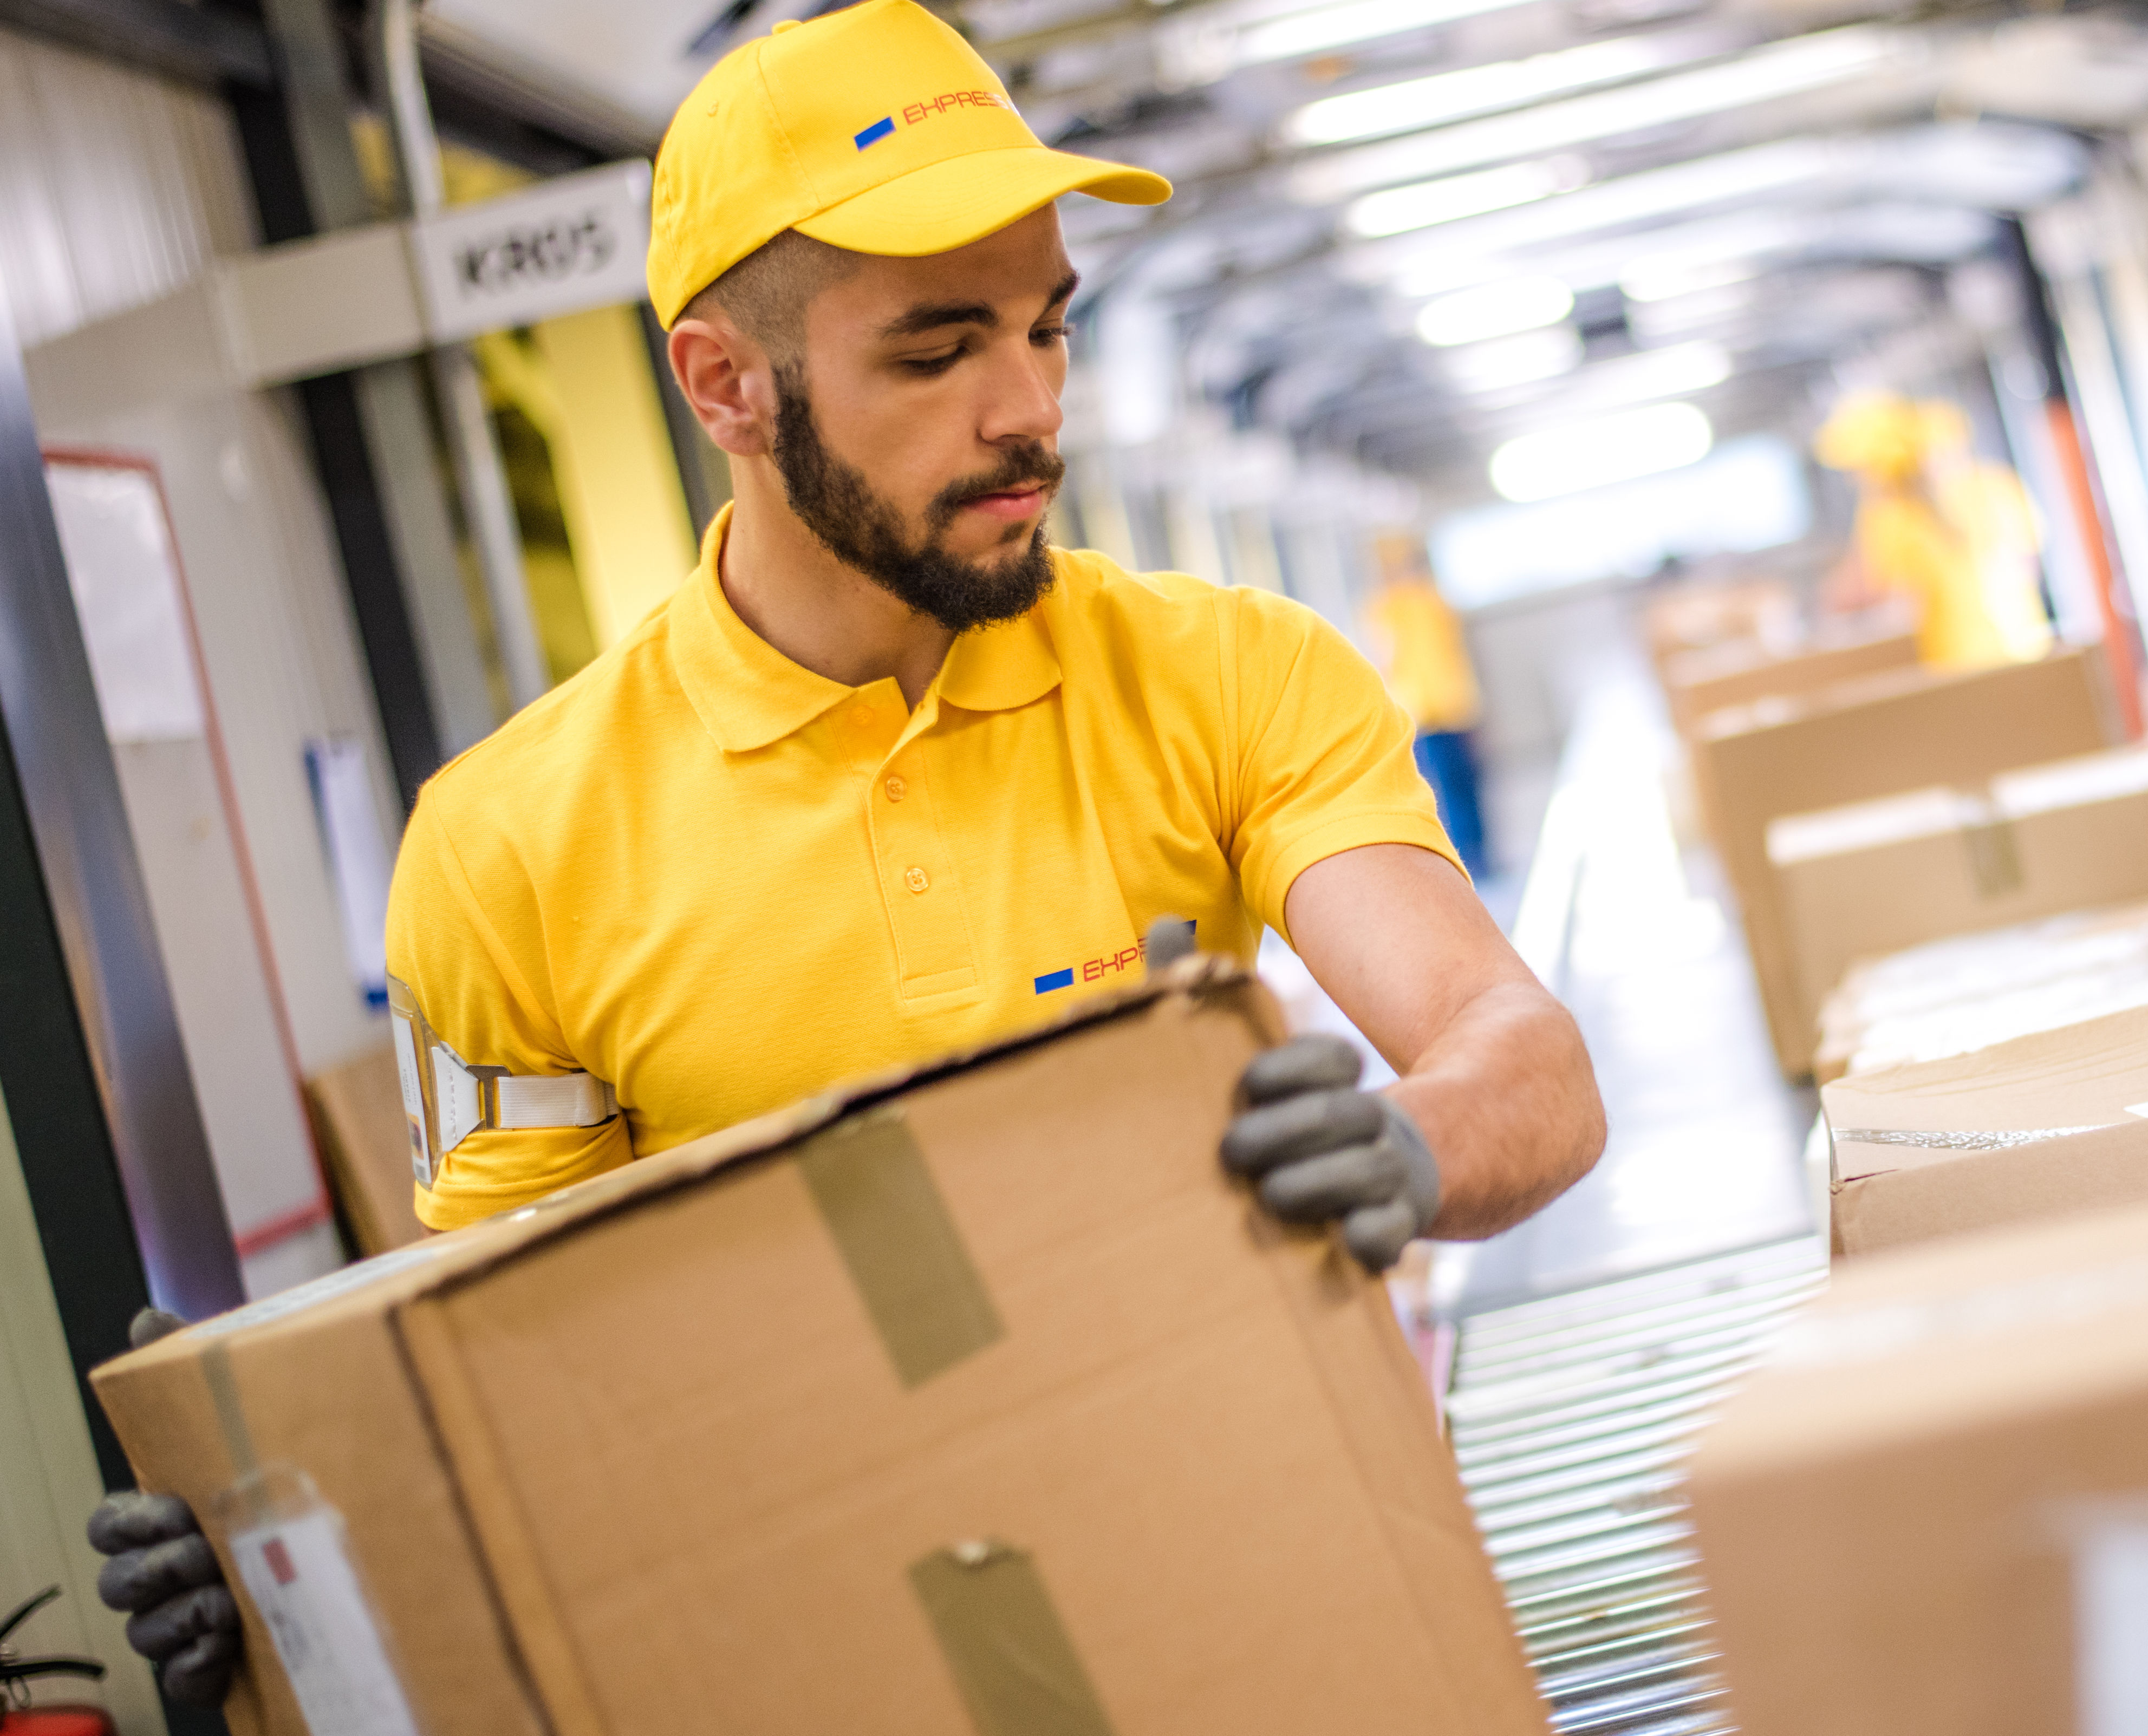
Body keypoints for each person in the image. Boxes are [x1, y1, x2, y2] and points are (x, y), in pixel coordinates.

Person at [88, 0, 1605, 1705]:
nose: (1028, 410)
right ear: (727, 382)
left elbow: (1522, 1055)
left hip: (1263, 1585)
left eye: (1047, 328)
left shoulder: (1230, 672)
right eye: (937, 351)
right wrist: (290, 1547)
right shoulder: (501, 847)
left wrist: (1406, 1146)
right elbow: (494, 1366)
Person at [1813, 391, 2046, 669]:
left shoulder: (1892, 518)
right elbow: (2028, 562)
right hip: (2024, 648)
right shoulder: (1996, 484)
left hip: (1955, 663)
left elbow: (1882, 596)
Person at [1362, 533, 1491, 877]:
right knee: (1444, 791)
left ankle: (1477, 855)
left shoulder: (1428, 603)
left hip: (1451, 708)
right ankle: (1467, 858)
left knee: (1465, 785)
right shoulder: (1389, 608)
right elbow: (1388, 660)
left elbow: (1453, 656)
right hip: (1424, 713)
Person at [1917, 399, 2054, 665]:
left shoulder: (1996, 486)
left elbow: (2028, 554)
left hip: (2014, 633)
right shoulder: (1916, 510)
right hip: (1957, 647)